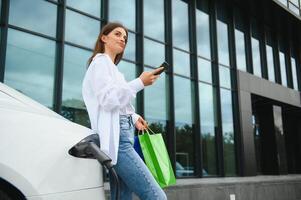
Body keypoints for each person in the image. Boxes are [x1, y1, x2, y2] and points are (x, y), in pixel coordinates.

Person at [82, 22, 167, 200]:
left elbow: (118, 102)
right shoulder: (100, 63)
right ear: (104, 38)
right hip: (118, 141)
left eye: (125, 38)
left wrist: (134, 117)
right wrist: (140, 82)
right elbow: (107, 100)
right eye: (118, 34)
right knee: (157, 197)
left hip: (122, 135)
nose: (123, 39)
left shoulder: (113, 70)